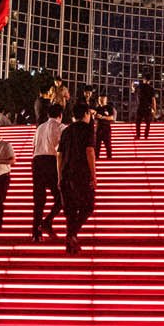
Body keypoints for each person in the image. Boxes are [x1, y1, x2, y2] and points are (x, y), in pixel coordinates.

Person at [57, 102, 97, 254]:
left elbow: (59, 155)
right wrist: (93, 175)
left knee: (71, 210)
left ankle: (70, 245)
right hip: (81, 173)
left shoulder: (66, 130)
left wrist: (59, 176)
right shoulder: (88, 128)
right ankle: (72, 234)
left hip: (66, 174)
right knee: (88, 206)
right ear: (86, 114)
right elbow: (89, 151)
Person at [30, 103, 65, 242]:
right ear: (60, 115)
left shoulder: (40, 127)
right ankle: (47, 221)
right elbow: (61, 149)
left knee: (39, 200)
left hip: (37, 162)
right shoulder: (61, 127)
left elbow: (34, 146)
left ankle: (35, 233)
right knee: (61, 197)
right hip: (51, 161)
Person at [94, 93, 116, 159]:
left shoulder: (109, 107)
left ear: (106, 99)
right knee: (97, 146)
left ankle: (109, 159)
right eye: (100, 99)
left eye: (103, 98)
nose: (101, 100)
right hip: (99, 128)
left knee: (108, 146)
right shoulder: (97, 108)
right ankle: (96, 159)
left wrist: (102, 117)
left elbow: (112, 117)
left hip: (106, 129)